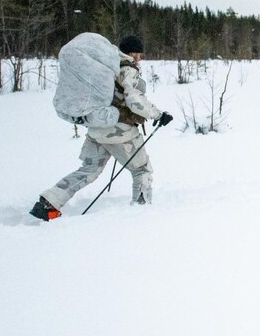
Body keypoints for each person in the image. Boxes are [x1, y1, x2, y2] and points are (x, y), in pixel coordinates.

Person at [30, 35, 173, 220]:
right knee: (142, 170)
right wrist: (158, 114)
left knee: (88, 170)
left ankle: (48, 203)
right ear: (133, 53)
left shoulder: (106, 66)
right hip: (120, 133)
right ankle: (142, 213)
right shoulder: (127, 70)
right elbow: (133, 100)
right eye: (139, 54)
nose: (140, 58)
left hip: (97, 128)